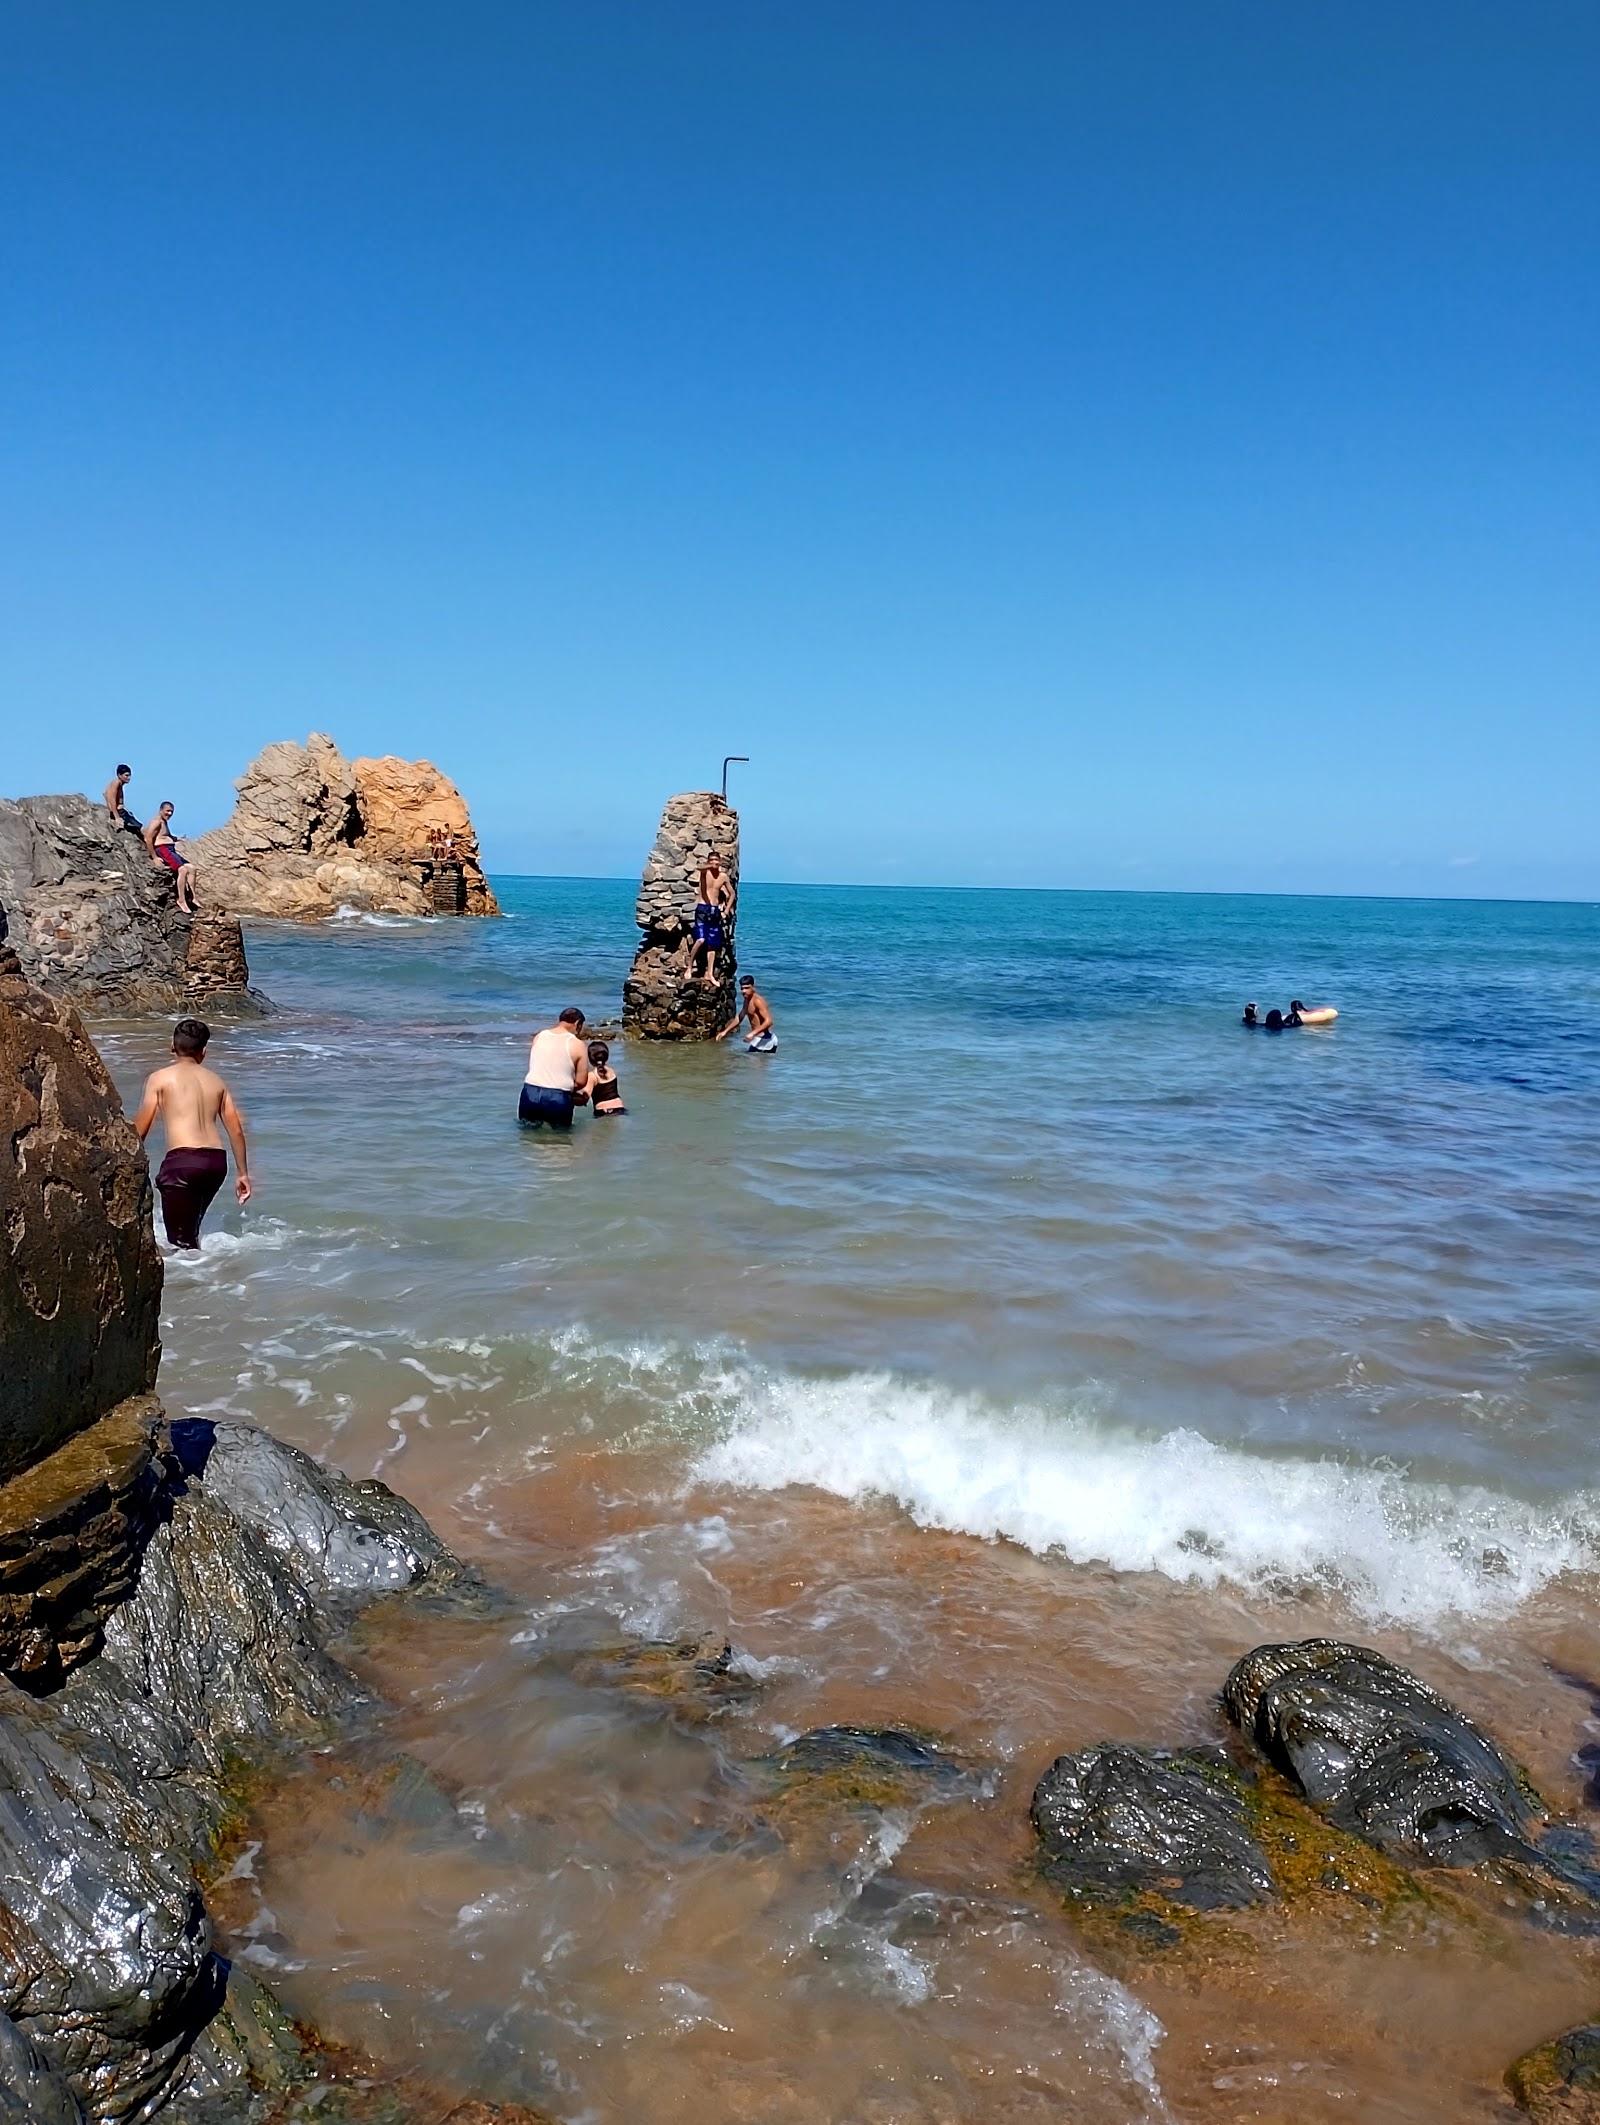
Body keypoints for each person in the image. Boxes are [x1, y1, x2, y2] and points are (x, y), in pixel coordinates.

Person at [132, 1019, 252, 1250]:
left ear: (172, 1047)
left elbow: (142, 1127)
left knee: (179, 1243)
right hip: (216, 1164)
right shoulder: (217, 1082)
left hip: (182, 1163)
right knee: (190, 1232)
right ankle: (210, 1277)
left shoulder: (159, 1078)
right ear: (204, 1051)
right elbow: (235, 1128)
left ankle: (199, 1281)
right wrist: (242, 1173)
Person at [519, 1007, 591, 1130]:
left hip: (529, 1091)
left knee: (528, 1135)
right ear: (577, 1024)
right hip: (557, 1096)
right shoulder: (577, 1044)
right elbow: (581, 1081)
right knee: (560, 1140)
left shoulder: (540, 1036)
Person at [144, 802, 198, 914]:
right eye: (167, 811)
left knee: (192, 868)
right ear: (161, 810)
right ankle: (181, 900)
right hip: (163, 849)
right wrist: (154, 857)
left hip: (170, 848)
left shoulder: (164, 822)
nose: (169, 813)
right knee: (182, 870)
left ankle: (193, 898)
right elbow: (148, 838)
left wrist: (177, 839)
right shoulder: (157, 822)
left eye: (171, 812)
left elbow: (165, 835)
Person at [688, 856, 735, 987]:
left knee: (712, 945)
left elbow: (732, 894)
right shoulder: (705, 872)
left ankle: (709, 973)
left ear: (720, 861)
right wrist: (709, 865)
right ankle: (690, 966)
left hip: (715, 911)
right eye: (712, 860)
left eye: (717, 860)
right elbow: (699, 867)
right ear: (709, 861)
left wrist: (726, 911)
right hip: (702, 909)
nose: (715, 862)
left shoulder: (723, 877)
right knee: (701, 940)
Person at [717, 974, 777, 1053]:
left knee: (754, 1062)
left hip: (765, 1040)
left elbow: (769, 1021)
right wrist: (725, 1032)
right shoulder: (747, 999)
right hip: (757, 1039)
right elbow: (740, 1017)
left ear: (753, 987)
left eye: (747, 988)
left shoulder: (758, 1001)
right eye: (742, 988)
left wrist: (752, 1033)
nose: (744, 991)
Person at [587, 1040, 625, 1115]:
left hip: (603, 1111)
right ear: (606, 1057)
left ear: (590, 1059)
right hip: (620, 1108)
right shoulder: (612, 1071)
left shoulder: (592, 1076)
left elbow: (585, 1097)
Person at [104, 764, 136, 831]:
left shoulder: (120, 784)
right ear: (119, 775)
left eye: (130, 775)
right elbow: (111, 799)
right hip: (116, 812)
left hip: (120, 811)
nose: (129, 777)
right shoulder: (116, 783)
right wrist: (117, 817)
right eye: (126, 775)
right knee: (140, 828)